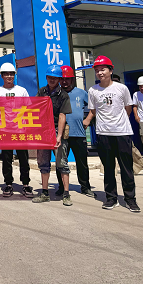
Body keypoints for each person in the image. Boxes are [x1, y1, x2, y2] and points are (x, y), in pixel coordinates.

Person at [83, 56, 140, 212]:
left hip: (122, 132)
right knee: (108, 168)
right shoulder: (93, 90)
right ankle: (111, 198)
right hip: (103, 133)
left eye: (103, 69)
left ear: (110, 70)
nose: (100, 73)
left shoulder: (122, 88)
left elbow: (128, 108)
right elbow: (93, 110)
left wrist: (119, 122)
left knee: (126, 168)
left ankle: (130, 199)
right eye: (97, 70)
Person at [32, 65, 72, 206]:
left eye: (55, 78)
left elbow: (62, 116)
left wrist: (59, 136)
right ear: (46, 77)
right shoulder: (41, 91)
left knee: (62, 163)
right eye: (50, 77)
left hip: (56, 130)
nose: (52, 80)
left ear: (59, 79)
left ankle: (66, 194)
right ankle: (44, 192)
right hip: (43, 131)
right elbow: (34, 107)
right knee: (43, 163)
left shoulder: (63, 95)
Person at [0, 62, 33, 199]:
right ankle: (8, 184)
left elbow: (28, 109)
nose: (9, 76)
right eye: (6, 74)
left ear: (14, 75)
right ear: (2, 76)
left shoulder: (22, 91)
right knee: (6, 159)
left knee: (23, 159)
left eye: (11, 74)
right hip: (5, 131)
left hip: (20, 130)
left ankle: (25, 184)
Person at [60, 65, 95, 198]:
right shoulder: (56, 94)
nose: (64, 81)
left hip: (78, 133)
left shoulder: (81, 93)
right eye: (62, 79)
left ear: (72, 79)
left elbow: (93, 107)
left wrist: (88, 119)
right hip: (61, 135)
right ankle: (62, 188)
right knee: (61, 163)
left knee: (82, 163)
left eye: (67, 79)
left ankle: (85, 187)